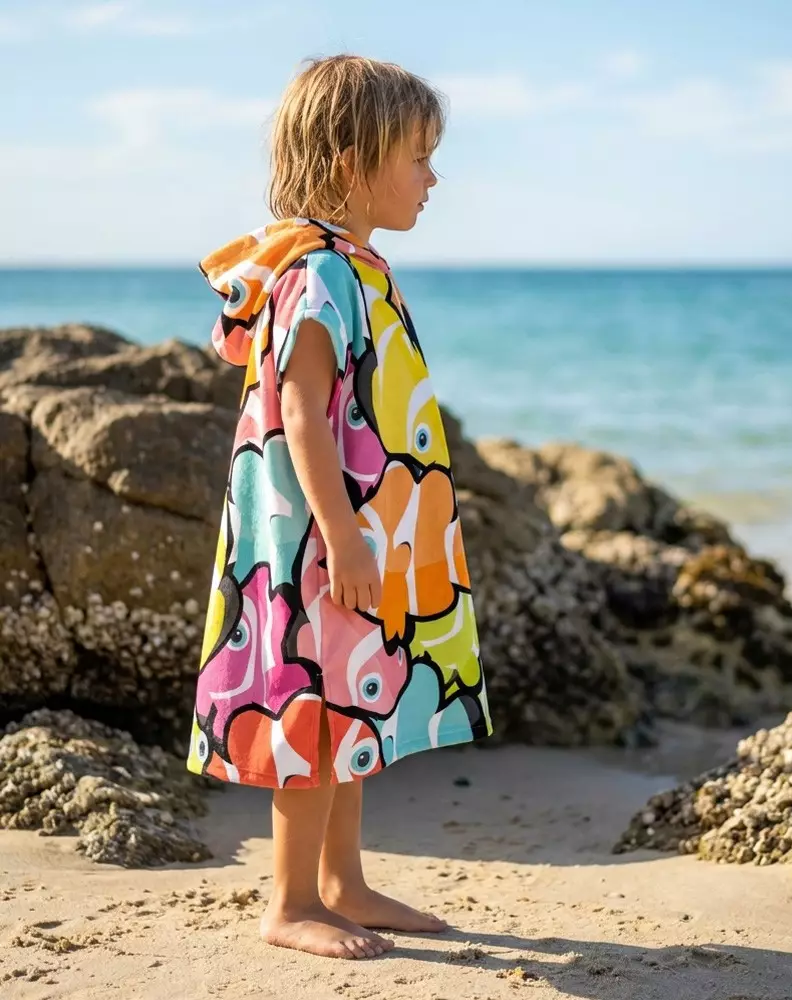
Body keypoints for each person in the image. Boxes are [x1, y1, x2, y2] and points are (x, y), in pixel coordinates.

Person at [186, 54, 493, 961]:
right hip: (320, 537)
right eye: (419, 158)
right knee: (312, 708)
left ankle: (341, 882)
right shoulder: (319, 273)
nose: (434, 179)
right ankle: (288, 902)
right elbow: (299, 415)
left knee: (350, 706)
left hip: (350, 531)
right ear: (355, 161)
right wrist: (344, 534)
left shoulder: (352, 265)